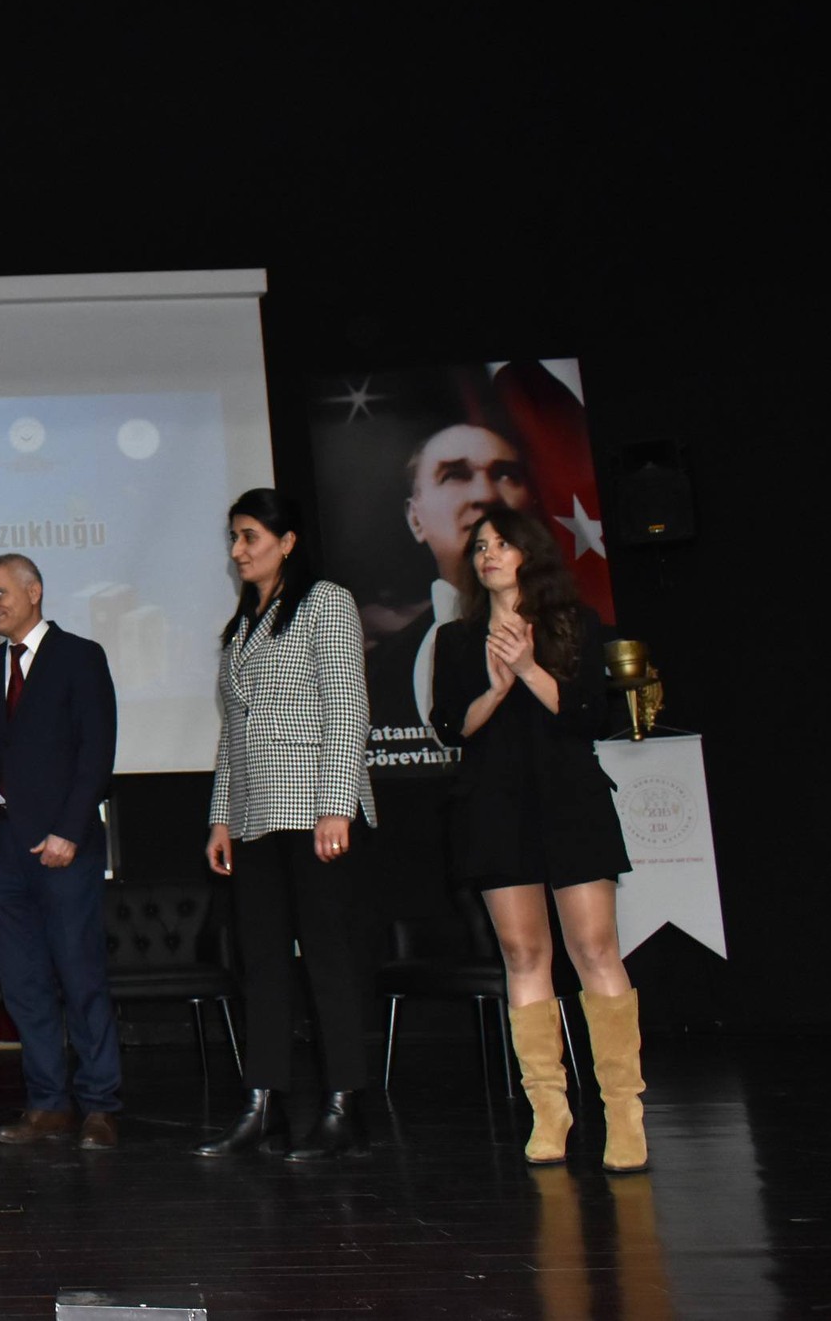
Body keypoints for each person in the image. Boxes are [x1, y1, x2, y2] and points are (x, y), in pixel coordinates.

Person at [429, 504, 645, 1172]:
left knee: (595, 948)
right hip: (495, 807)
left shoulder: (573, 623)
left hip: (570, 801)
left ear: (530, 552)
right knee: (523, 954)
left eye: (502, 543)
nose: (489, 555)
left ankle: (624, 1114)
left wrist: (526, 667)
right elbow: (450, 727)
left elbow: (590, 716)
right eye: (480, 547)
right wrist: (495, 689)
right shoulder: (457, 638)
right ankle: (549, 1112)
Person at [198, 490, 380, 1162]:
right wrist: (221, 817)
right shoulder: (242, 626)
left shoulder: (325, 602)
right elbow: (234, 735)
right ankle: (264, 1105)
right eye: (234, 537)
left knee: (328, 959)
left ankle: (345, 1108)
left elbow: (348, 706)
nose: (238, 549)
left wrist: (336, 805)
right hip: (255, 818)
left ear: (288, 541)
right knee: (263, 963)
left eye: (250, 535)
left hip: (314, 810)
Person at [0, 553, 123, 1152]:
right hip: (2, 848)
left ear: (34, 591)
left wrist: (69, 830)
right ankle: (48, 1103)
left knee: (80, 975)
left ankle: (100, 1105)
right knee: (23, 982)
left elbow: (96, 750)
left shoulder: (80, 656)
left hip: (64, 846)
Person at [368, 422, 536, 735]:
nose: (485, 495)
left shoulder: (573, 631)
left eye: (505, 475)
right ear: (415, 518)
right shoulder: (377, 668)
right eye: (455, 475)